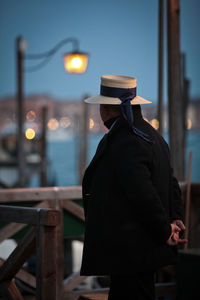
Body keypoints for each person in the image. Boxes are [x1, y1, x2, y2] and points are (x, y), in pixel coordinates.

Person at [80, 75, 187, 299]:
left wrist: (165, 229)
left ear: (107, 109)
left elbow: (143, 195)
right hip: (140, 250)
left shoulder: (126, 140)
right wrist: (174, 218)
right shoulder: (153, 136)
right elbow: (170, 183)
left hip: (130, 250)